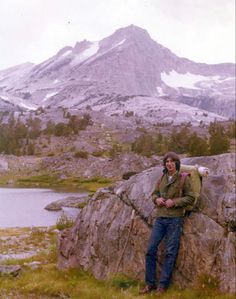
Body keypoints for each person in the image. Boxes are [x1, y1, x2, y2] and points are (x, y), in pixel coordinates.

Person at [139, 152, 195, 296]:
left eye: (172, 161)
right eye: (167, 161)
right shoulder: (162, 178)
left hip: (175, 220)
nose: (169, 163)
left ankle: (162, 286)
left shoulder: (183, 178)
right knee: (150, 250)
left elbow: (191, 198)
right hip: (160, 218)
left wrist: (175, 202)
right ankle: (149, 283)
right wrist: (156, 199)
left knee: (170, 252)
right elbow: (154, 194)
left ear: (177, 163)